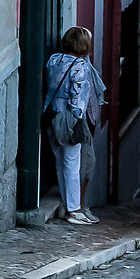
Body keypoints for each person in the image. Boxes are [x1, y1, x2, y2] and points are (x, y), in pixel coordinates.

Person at [44, 25, 106, 227]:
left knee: (60, 162)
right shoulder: (81, 67)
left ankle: (67, 204)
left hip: (52, 113)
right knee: (72, 163)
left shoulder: (53, 60)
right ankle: (73, 209)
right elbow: (78, 99)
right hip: (70, 118)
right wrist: (79, 121)